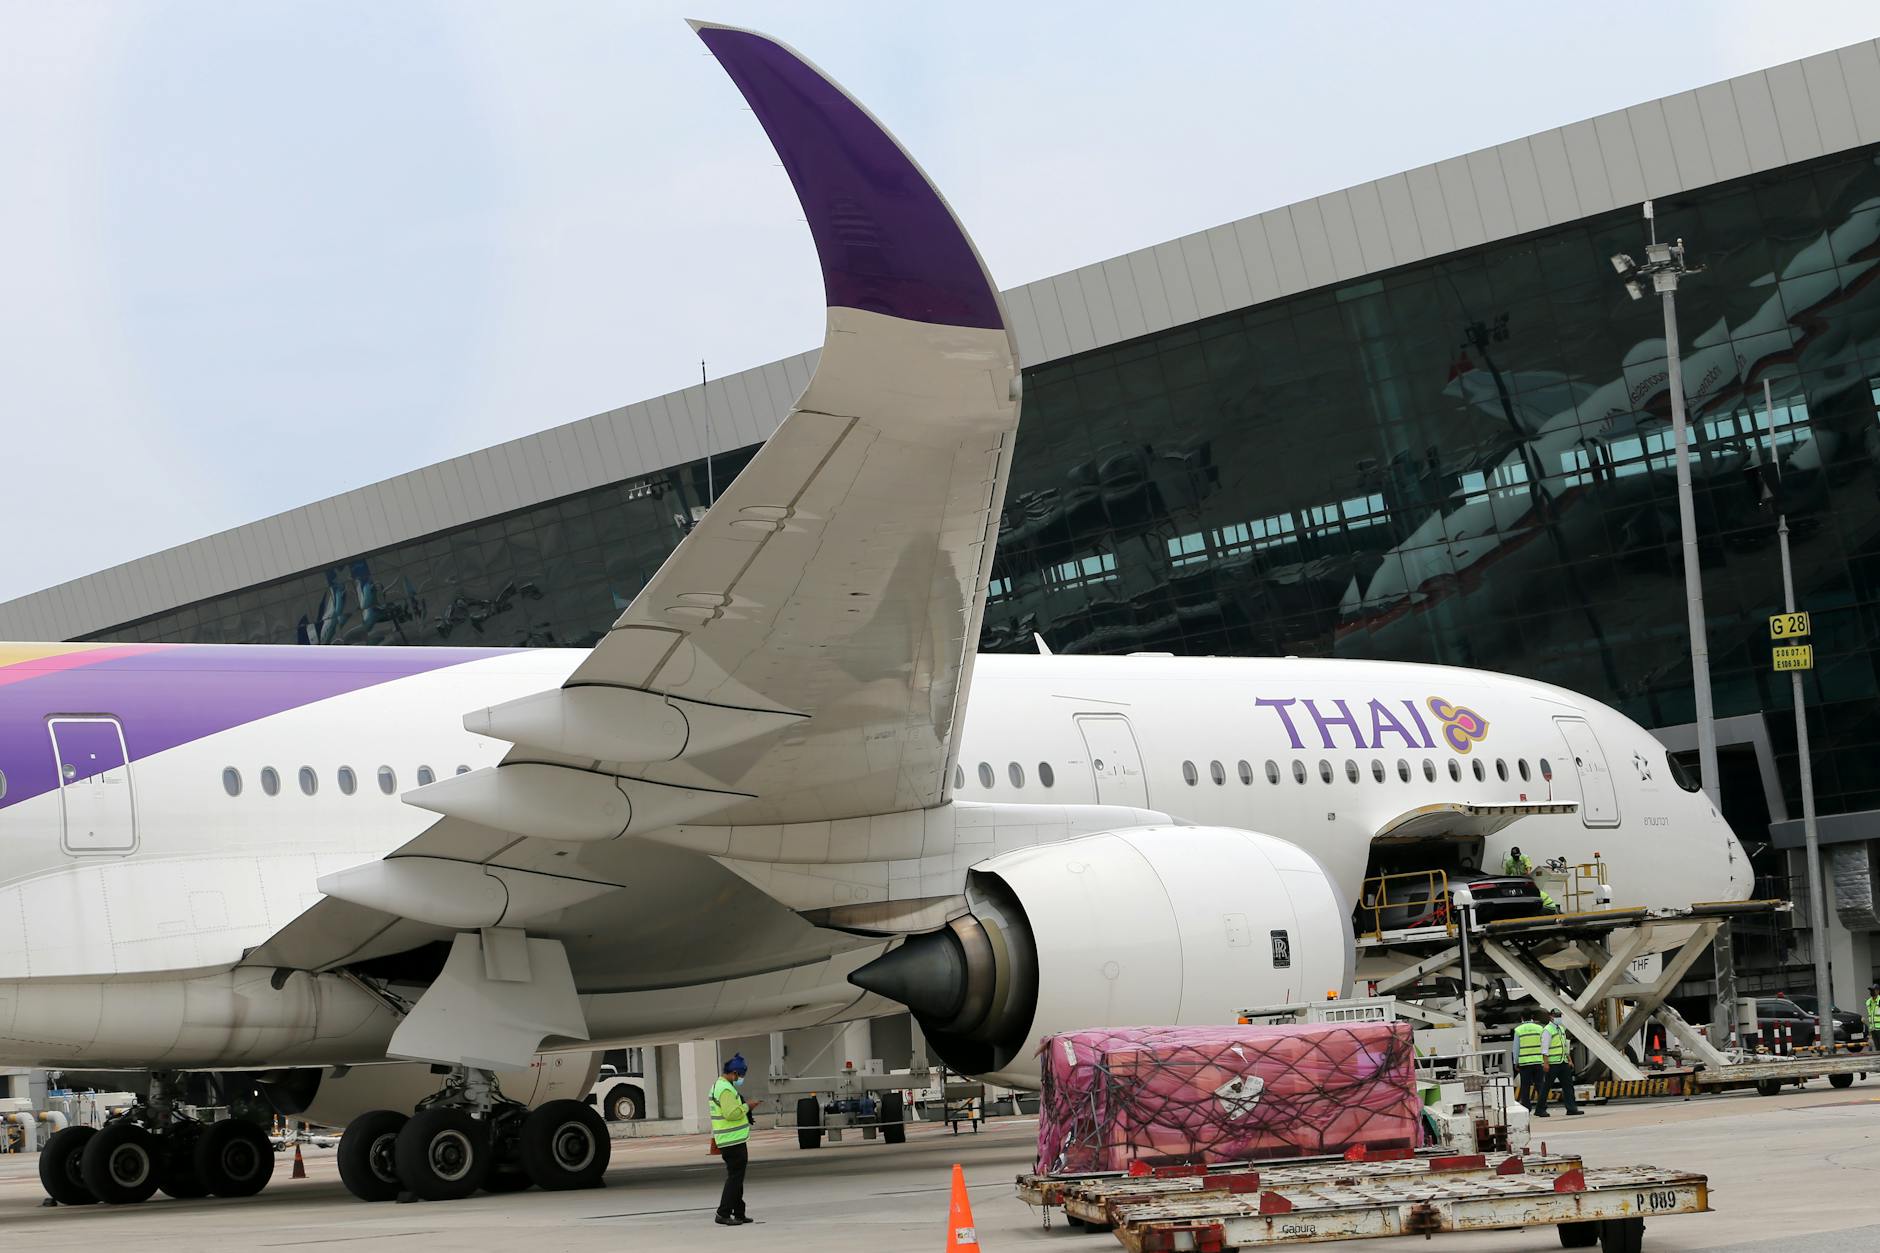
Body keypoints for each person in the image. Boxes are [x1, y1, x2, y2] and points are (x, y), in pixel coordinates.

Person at [710, 1053, 758, 1226]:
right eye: (741, 1075)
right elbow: (730, 1114)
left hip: (731, 1139)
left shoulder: (722, 1085)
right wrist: (747, 1106)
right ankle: (722, 1213)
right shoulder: (725, 1089)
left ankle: (739, 1212)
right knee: (735, 1178)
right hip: (732, 1141)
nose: (741, 1079)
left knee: (737, 1177)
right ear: (735, 1073)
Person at [1539, 1010, 1583, 1116]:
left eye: (1559, 1016)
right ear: (1551, 1017)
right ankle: (1540, 1109)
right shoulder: (1547, 1030)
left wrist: (1569, 1060)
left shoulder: (1561, 1028)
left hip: (1562, 1062)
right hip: (1552, 1063)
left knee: (1568, 1086)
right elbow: (1544, 1048)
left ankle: (1571, 1108)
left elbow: (1565, 1046)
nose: (1558, 1018)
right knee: (1546, 1087)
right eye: (1556, 1016)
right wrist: (1545, 1063)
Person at [1512, 1009, 1548, 1115]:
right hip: (1538, 1062)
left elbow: (1516, 1048)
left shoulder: (1518, 1030)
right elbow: (1544, 1044)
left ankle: (1526, 1108)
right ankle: (1542, 1109)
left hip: (1524, 1063)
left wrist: (1516, 1062)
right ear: (1532, 1017)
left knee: (1525, 1087)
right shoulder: (1540, 1028)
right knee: (1540, 1086)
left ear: (1521, 1018)